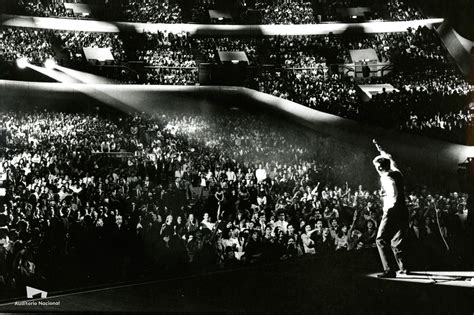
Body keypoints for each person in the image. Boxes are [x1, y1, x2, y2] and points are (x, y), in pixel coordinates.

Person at [372, 140, 409, 278]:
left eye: (376, 167)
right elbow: (391, 159)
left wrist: (385, 196)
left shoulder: (386, 177)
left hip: (392, 210)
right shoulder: (397, 172)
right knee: (396, 241)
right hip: (403, 210)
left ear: (380, 168)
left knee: (380, 239)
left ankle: (389, 271)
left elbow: (393, 194)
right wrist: (380, 149)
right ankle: (404, 268)